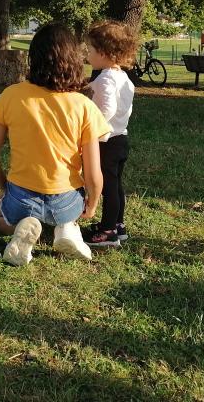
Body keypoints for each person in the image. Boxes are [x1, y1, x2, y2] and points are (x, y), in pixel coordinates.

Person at [0, 23, 111, 266]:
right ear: (74, 60)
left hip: (20, 195)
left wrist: (3, 188)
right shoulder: (84, 106)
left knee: (1, 218)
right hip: (66, 201)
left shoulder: (11, 95)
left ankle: (20, 226)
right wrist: (91, 206)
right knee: (68, 213)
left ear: (33, 59)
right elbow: (94, 173)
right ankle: (67, 228)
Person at [82, 20, 137, 247]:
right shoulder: (122, 77)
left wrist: (93, 128)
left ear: (103, 53)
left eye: (91, 50)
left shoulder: (105, 79)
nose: (88, 54)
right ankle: (118, 224)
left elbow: (107, 109)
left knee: (107, 187)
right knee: (116, 186)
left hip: (107, 140)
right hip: (121, 137)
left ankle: (107, 232)